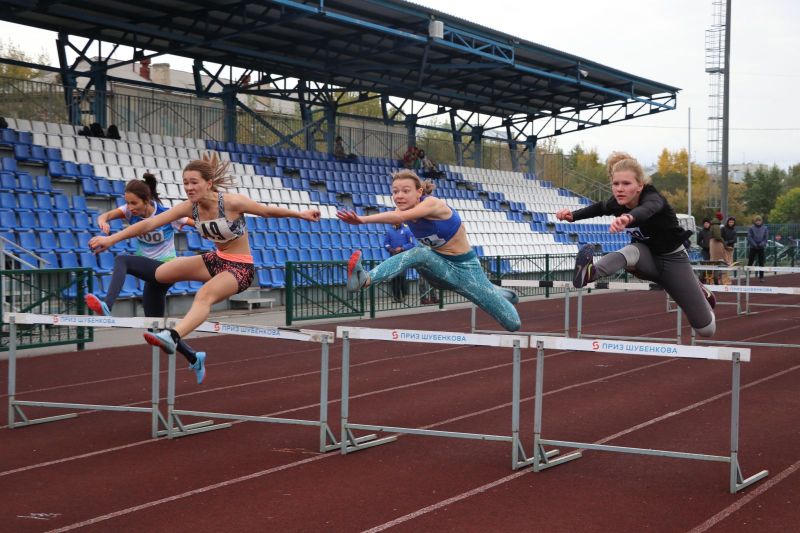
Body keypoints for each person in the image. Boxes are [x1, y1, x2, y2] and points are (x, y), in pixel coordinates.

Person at [88, 152, 321, 381]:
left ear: (209, 183)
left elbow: (267, 211)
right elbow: (149, 224)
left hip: (240, 267)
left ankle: (173, 336)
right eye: (185, 183)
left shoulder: (231, 202)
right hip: (216, 259)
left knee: (204, 296)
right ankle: (185, 349)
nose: (189, 188)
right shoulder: (189, 207)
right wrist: (111, 239)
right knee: (160, 273)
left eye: (194, 182)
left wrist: (300, 214)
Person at [555, 151, 716, 337]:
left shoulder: (653, 198)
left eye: (626, 184)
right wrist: (573, 216)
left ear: (640, 185)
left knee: (706, 330)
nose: (619, 189)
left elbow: (648, 209)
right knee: (631, 251)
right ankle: (590, 273)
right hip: (645, 258)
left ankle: (696, 287)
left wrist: (629, 218)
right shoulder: (617, 202)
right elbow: (599, 208)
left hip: (673, 260)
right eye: (615, 184)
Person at [337, 169, 521, 332]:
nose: (399, 196)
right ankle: (365, 279)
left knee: (513, 324)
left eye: (405, 191)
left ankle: (497, 292)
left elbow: (399, 217)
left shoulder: (433, 204)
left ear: (419, 192)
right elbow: (395, 217)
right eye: (395, 191)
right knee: (420, 253)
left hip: (465, 270)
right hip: (437, 267)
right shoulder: (401, 210)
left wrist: (362, 220)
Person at [83, 172, 205, 379]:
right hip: (152, 274)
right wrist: (103, 222)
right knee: (155, 327)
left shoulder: (167, 214)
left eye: (134, 203)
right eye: (127, 203)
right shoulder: (129, 211)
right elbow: (105, 216)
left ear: (147, 201)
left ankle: (107, 304)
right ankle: (194, 357)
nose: (130, 208)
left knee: (123, 260)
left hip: (167, 268)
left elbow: (197, 224)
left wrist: (211, 230)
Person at [382, 222, 415, 302]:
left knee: (402, 276)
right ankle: (396, 297)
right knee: (394, 277)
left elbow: (412, 244)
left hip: (403, 256)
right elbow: (386, 243)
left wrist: (402, 248)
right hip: (393, 257)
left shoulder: (407, 230)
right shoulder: (389, 231)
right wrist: (390, 249)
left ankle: (404, 295)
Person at [747, 215, 768, 281]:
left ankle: (761, 277)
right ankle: (747, 276)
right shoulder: (751, 228)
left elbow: (765, 238)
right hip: (753, 247)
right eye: (757, 221)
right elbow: (749, 237)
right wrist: (754, 244)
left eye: (759, 220)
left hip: (761, 247)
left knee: (761, 262)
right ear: (755, 221)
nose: (758, 222)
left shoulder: (765, 228)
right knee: (750, 261)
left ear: (761, 221)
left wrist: (761, 244)